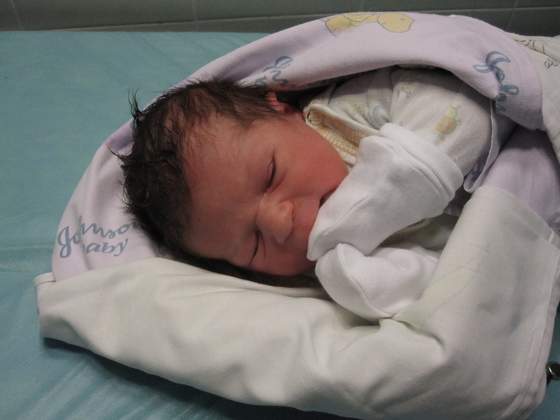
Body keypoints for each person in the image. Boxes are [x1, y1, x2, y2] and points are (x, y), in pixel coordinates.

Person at [119, 68, 560, 320]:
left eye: (271, 175)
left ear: (282, 109)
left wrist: (370, 207)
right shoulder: (327, 271)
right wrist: (360, 283)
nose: (279, 223)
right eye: (253, 245)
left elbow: (462, 112)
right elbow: (450, 283)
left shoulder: (345, 112)